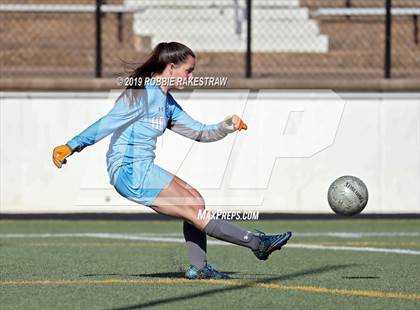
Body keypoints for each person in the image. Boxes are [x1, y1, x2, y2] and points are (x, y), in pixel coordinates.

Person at [52, 42, 291, 280]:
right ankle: (257, 243)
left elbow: (199, 132)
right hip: (129, 171)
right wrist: (71, 146)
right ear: (171, 67)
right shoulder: (142, 93)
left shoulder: (167, 103)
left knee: (196, 200)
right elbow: (106, 123)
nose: (191, 76)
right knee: (192, 209)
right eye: (188, 70)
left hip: (143, 168)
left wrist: (226, 126)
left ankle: (200, 267)